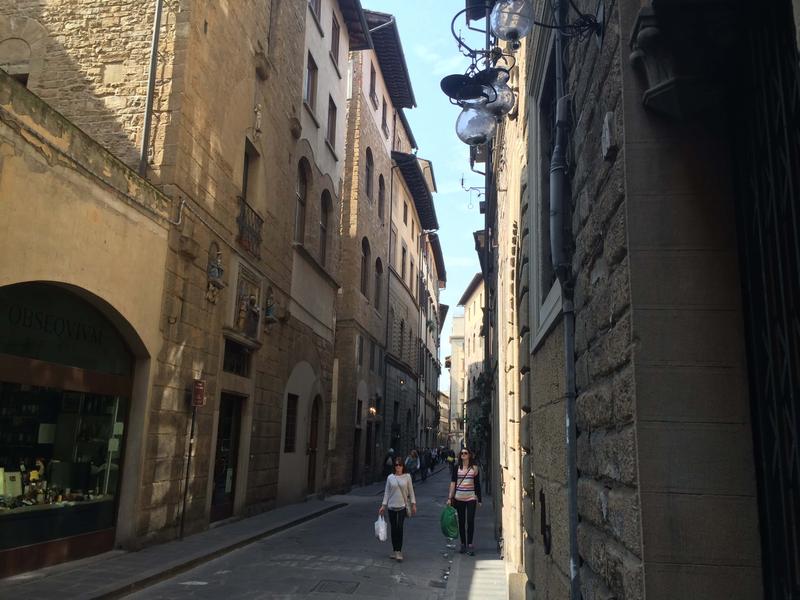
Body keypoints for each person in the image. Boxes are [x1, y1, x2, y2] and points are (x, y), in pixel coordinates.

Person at [379, 457, 417, 561]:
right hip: (391, 506)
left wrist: (413, 504)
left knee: (399, 528)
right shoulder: (390, 477)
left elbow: (411, 491)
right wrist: (383, 505)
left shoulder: (407, 477)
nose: (398, 467)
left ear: (403, 466)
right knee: (394, 529)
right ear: (394, 467)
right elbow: (386, 493)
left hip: (402, 506)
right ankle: (395, 550)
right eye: (396, 465)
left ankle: (399, 551)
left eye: (400, 465)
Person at [446, 447, 482, 556]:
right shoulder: (457, 468)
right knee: (461, 522)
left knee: (470, 521)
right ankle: (463, 544)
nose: (463, 455)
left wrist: (479, 499)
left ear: (469, 455)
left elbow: (477, 484)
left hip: (471, 497)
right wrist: (449, 497)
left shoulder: (474, 469)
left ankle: (470, 544)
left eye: (465, 453)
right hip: (459, 498)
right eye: (462, 453)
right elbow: (453, 483)